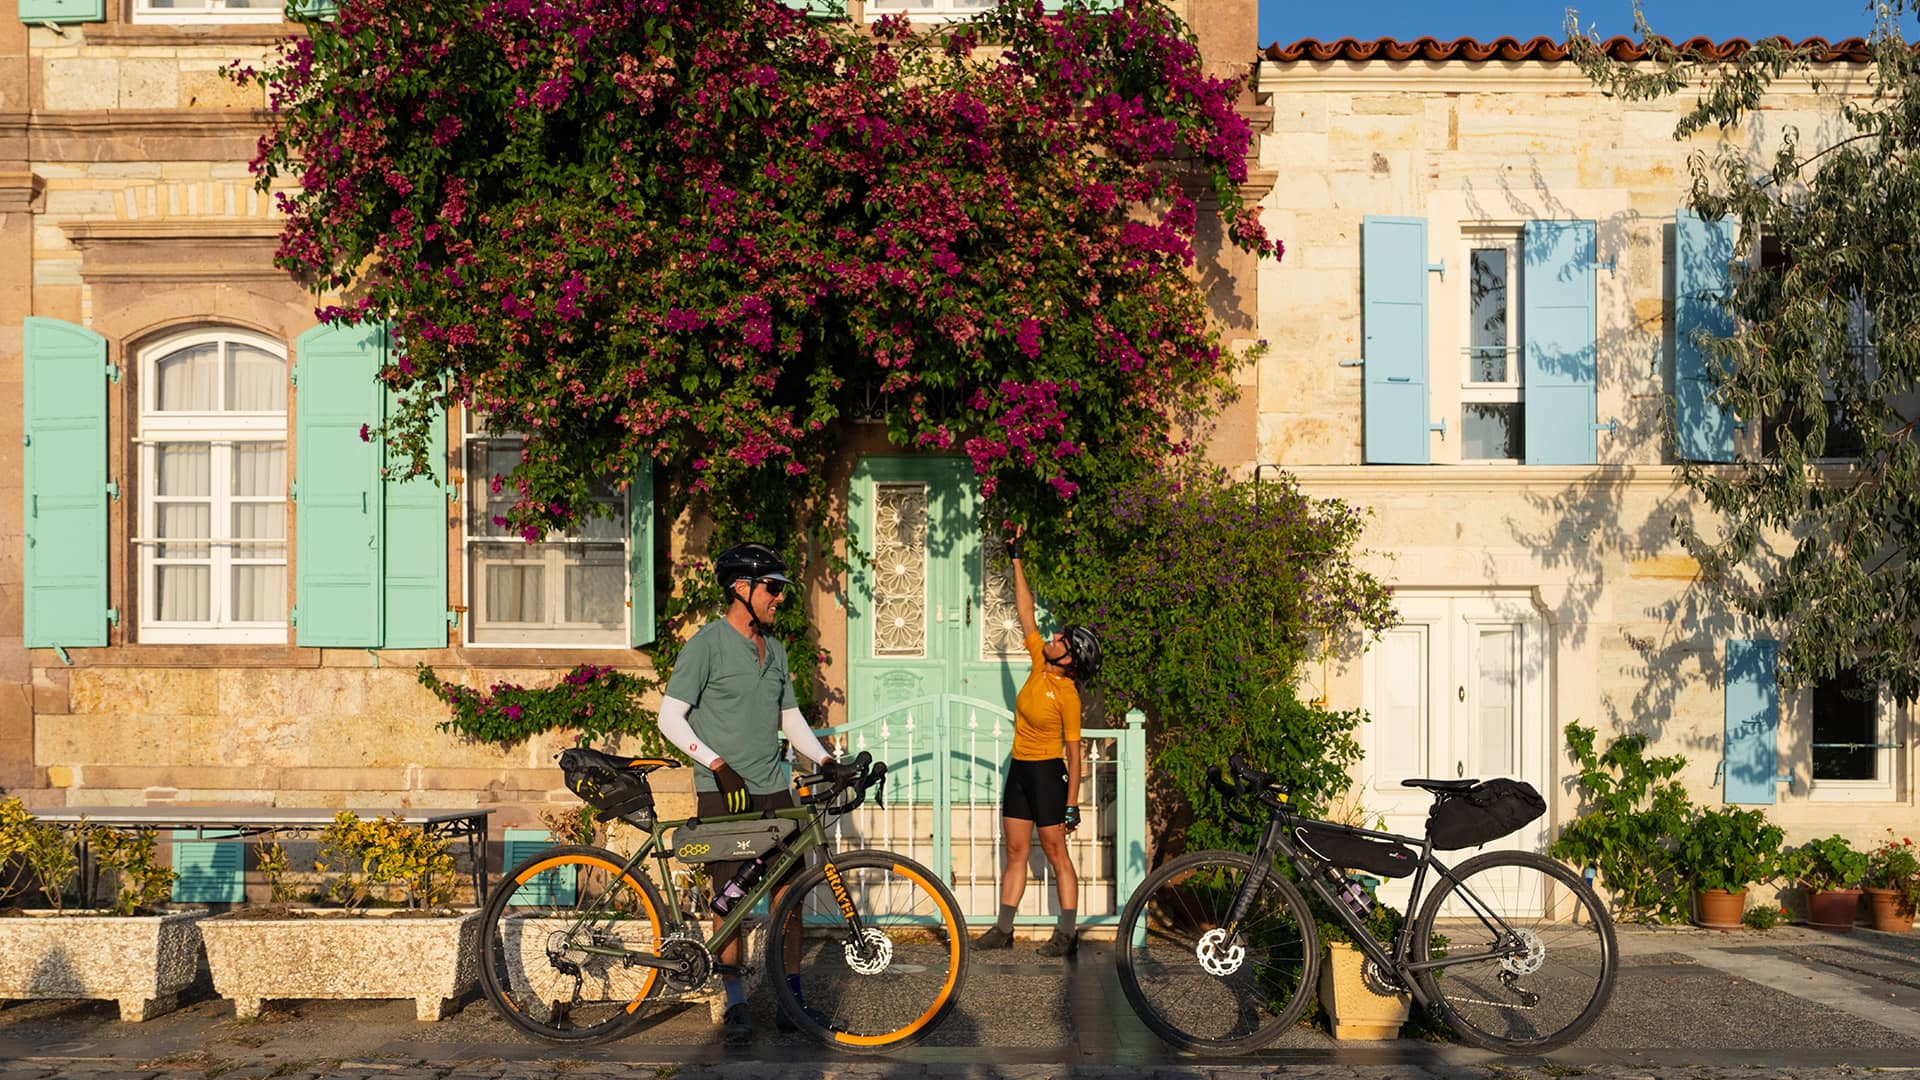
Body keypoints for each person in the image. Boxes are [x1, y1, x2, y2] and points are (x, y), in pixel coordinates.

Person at [654, 542, 837, 1044]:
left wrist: (825, 760)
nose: (780, 597)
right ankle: (735, 1001)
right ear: (741, 588)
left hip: (775, 787)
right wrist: (716, 764)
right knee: (729, 900)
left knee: (790, 897)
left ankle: (790, 1000)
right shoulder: (706, 645)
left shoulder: (773, 649)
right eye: (772, 588)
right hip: (725, 792)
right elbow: (670, 717)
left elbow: (789, 718)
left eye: (781, 589)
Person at [971, 529, 1101, 958]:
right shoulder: (1037, 663)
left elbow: (1074, 755)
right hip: (1020, 769)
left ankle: (1067, 933)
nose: (1053, 638)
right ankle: (1003, 929)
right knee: (1015, 850)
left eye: (1062, 640)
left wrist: (1072, 804)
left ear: (1070, 659)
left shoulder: (1067, 695)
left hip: (1048, 773)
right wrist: (1016, 558)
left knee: (1055, 851)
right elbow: (1025, 611)